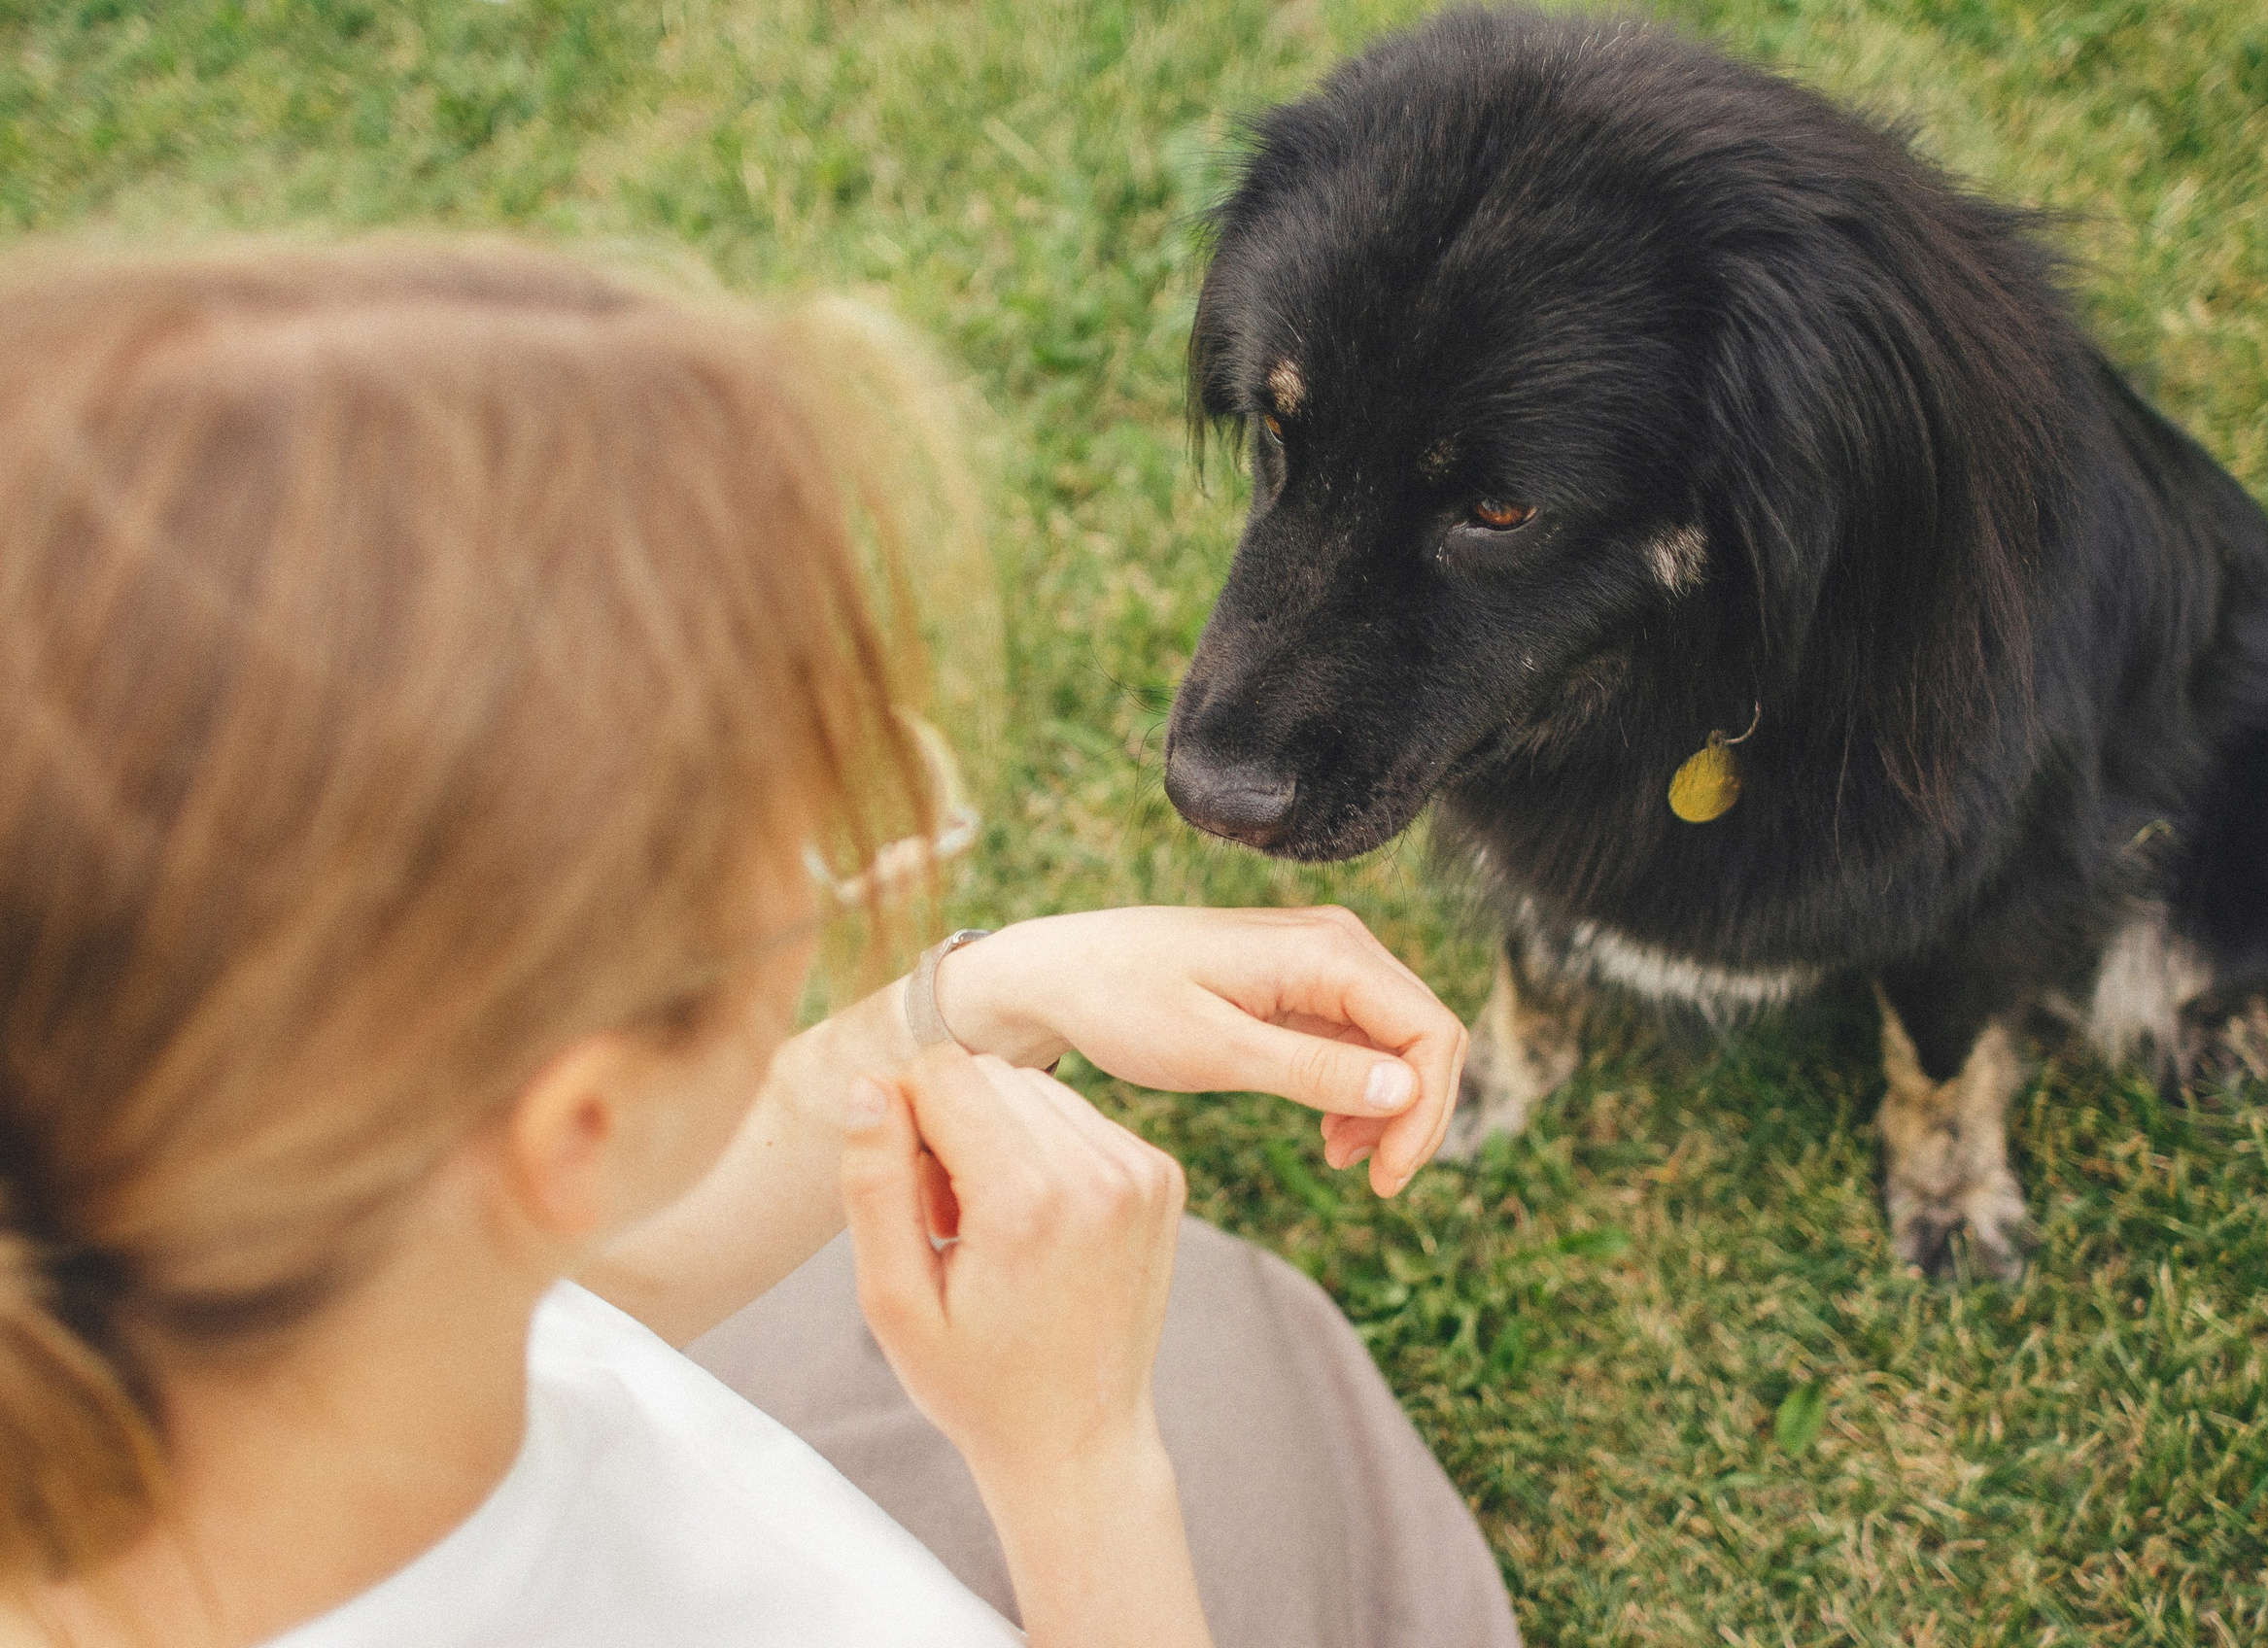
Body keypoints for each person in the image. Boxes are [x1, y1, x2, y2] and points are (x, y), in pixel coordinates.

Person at [0, 240, 1523, 1648]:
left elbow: (579, 1309)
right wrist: (1080, 1478)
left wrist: (982, 1000)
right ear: (576, 1124)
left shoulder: (268, 1318)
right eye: (792, 871)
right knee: (1254, 1397)